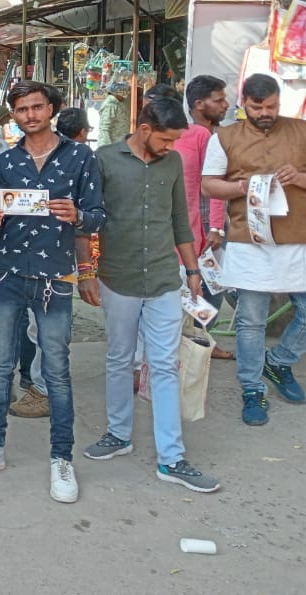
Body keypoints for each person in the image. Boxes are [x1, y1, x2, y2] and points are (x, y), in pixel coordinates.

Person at [0, 81, 106, 502]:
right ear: (14, 114)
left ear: (52, 109)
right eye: (22, 109)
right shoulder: (6, 160)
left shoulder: (80, 156)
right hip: (7, 272)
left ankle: (61, 459)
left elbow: (98, 217)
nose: (30, 115)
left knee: (57, 370)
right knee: (1, 365)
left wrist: (79, 214)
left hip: (54, 278)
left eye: (37, 107)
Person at [82, 100, 219, 492]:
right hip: (117, 277)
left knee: (163, 364)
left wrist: (192, 270)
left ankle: (172, 458)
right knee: (119, 358)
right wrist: (87, 272)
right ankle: (118, 434)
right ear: (144, 129)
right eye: (166, 138)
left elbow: (180, 219)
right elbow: (88, 220)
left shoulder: (172, 164)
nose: (171, 146)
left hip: (163, 277)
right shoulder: (104, 159)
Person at [201, 73, 306, 426]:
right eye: (257, 106)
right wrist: (243, 187)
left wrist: (300, 178)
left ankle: (278, 362)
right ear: (243, 103)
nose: (266, 113)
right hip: (250, 240)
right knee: (250, 321)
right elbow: (208, 186)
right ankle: (251, 388)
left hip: (299, 236)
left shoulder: (301, 130)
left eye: (272, 106)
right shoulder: (225, 137)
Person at [175, 75, 232, 358]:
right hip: (201, 227)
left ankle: (202, 341)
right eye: (219, 100)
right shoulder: (195, 135)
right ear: (199, 104)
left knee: (212, 286)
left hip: (209, 225)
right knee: (202, 286)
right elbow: (210, 185)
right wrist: (216, 228)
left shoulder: (215, 135)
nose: (226, 104)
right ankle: (197, 343)